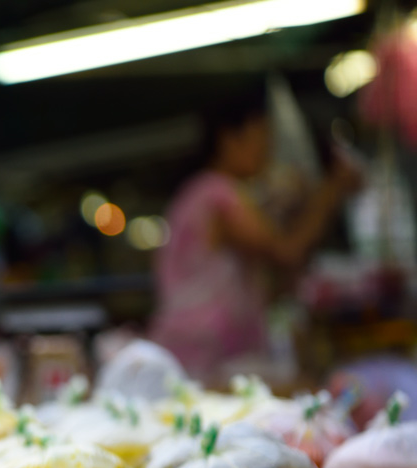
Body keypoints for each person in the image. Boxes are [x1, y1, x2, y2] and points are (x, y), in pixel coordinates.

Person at [149, 91, 362, 381]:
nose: (266, 150)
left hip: (201, 348)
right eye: (260, 138)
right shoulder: (217, 194)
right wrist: (330, 190)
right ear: (229, 139)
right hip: (205, 351)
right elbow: (286, 252)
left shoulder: (199, 193)